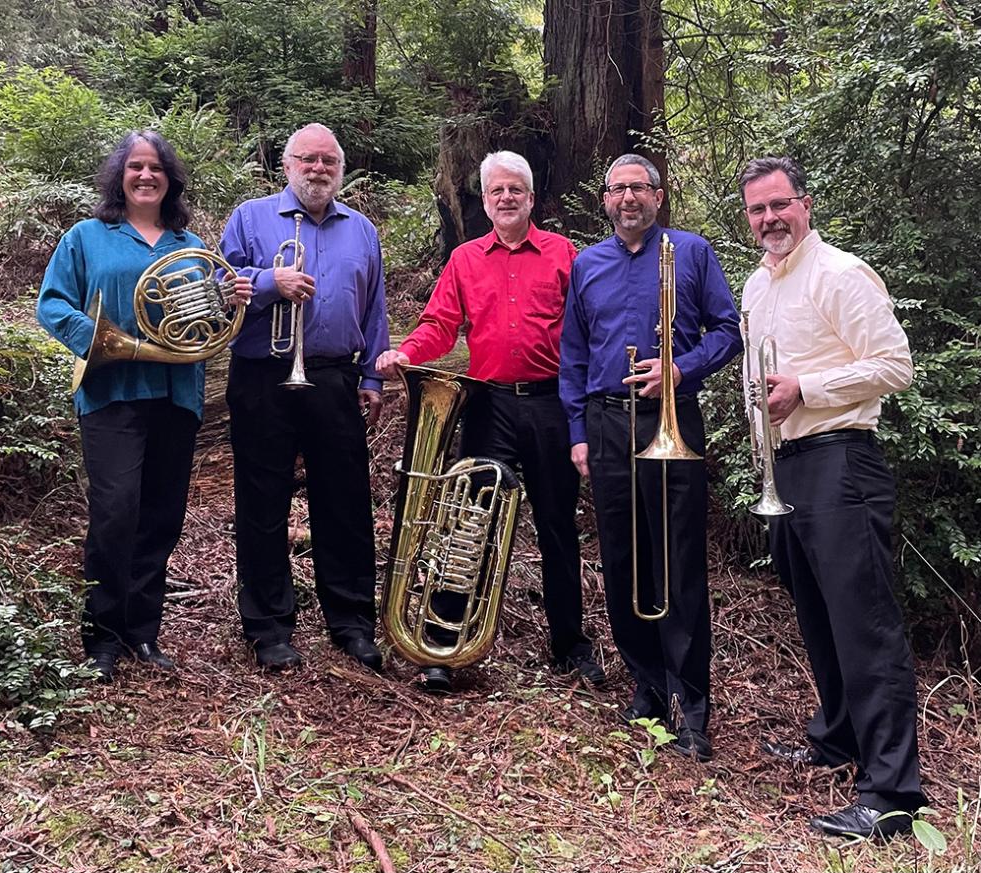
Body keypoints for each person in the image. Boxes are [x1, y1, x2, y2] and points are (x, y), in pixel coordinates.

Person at [739, 156, 925, 837]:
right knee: (818, 612)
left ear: (805, 204)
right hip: (788, 466)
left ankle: (892, 793)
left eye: (779, 205)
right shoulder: (757, 286)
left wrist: (805, 391)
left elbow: (894, 365)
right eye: (758, 210)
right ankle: (839, 738)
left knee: (865, 624)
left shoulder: (842, 274)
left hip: (842, 461)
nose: (770, 219)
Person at [376, 150, 601, 693]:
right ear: (484, 199)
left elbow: (590, 331)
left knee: (556, 527)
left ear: (530, 198)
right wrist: (407, 353)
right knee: (467, 524)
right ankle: (444, 648)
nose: (506, 198)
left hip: (552, 403)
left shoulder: (565, 254)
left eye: (515, 190)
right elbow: (439, 324)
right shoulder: (464, 259)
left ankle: (569, 646)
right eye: (496, 191)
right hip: (487, 404)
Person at [36, 130, 252, 683]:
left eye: (156, 168)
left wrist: (228, 300)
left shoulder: (190, 244)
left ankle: (143, 633)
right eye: (135, 167)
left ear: (169, 179)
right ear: (120, 175)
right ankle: (103, 636)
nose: (146, 176)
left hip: (176, 396)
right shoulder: (88, 236)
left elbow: (205, 322)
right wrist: (99, 339)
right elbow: (52, 304)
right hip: (110, 393)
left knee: (161, 515)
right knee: (115, 513)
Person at [559, 154, 742, 761]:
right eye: (618, 189)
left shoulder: (690, 252)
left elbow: (727, 329)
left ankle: (691, 702)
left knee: (678, 559)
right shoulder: (586, 264)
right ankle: (648, 683)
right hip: (608, 423)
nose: (628, 197)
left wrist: (680, 367)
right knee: (621, 556)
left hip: (671, 418)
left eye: (640, 187)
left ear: (658, 197)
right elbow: (575, 355)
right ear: (605, 199)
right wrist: (578, 431)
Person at [219, 123, 389, 673]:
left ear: (341, 170)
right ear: (287, 164)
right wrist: (271, 283)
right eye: (307, 159)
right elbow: (219, 287)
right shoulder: (250, 217)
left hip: (336, 378)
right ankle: (268, 627)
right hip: (262, 376)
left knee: (344, 501)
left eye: (328, 161)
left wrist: (371, 377)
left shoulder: (362, 229)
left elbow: (374, 308)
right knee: (262, 503)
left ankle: (352, 622)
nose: (318, 169)